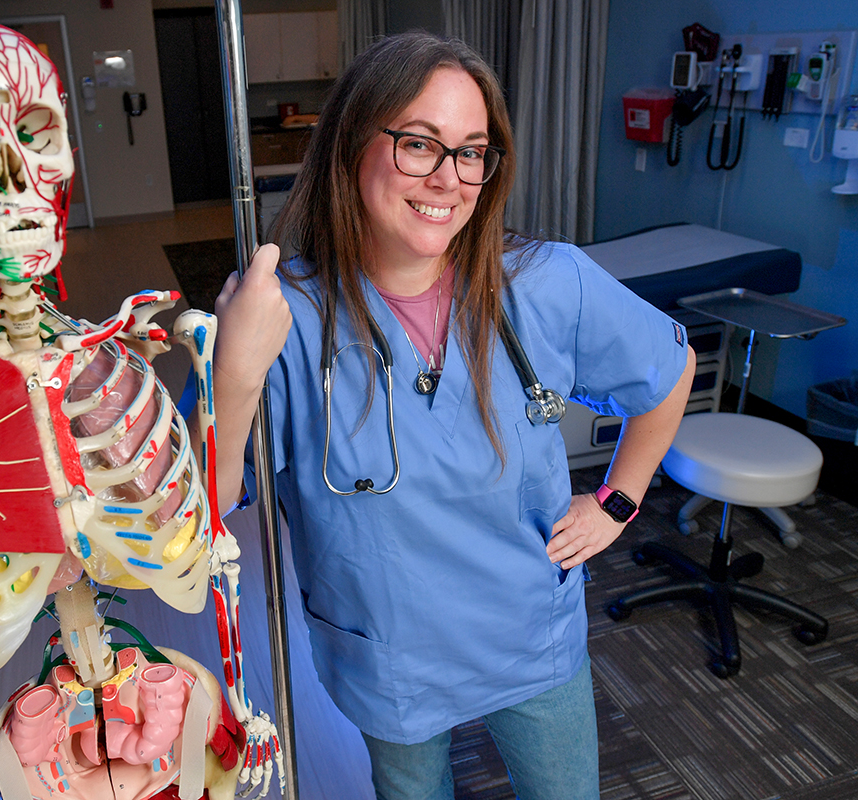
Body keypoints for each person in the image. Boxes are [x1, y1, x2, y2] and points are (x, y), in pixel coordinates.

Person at [207, 32, 696, 800]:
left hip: (527, 636)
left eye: (472, 151)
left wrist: (618, 501)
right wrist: (234, 373)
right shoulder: (285, 316)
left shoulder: (546, 282)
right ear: (350, 142)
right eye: (418, 144)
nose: (450, 178)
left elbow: (669, 372)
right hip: (388, 655)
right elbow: (202, 503)